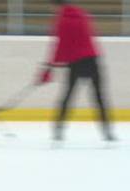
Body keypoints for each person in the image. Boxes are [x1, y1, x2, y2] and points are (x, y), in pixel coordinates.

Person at [37, 0, 113, 142]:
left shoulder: (60, 20)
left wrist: (50, 66)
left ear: (55, 5)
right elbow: (88, 37)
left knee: (67, 96)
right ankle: (107, 131)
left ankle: (58, 130)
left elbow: (60, 45)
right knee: (99, 97)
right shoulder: (83, 14)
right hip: (92, 59)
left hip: (76, 62)